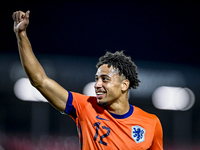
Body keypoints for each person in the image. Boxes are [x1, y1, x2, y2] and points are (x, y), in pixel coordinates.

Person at [12, 10, 163, 150]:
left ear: (124, 85)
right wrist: (22, 35)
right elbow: (40, 81)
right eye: (96, 79)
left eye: (105, 79)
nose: (97, 84)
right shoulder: (85, 106)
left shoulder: (151, 123)